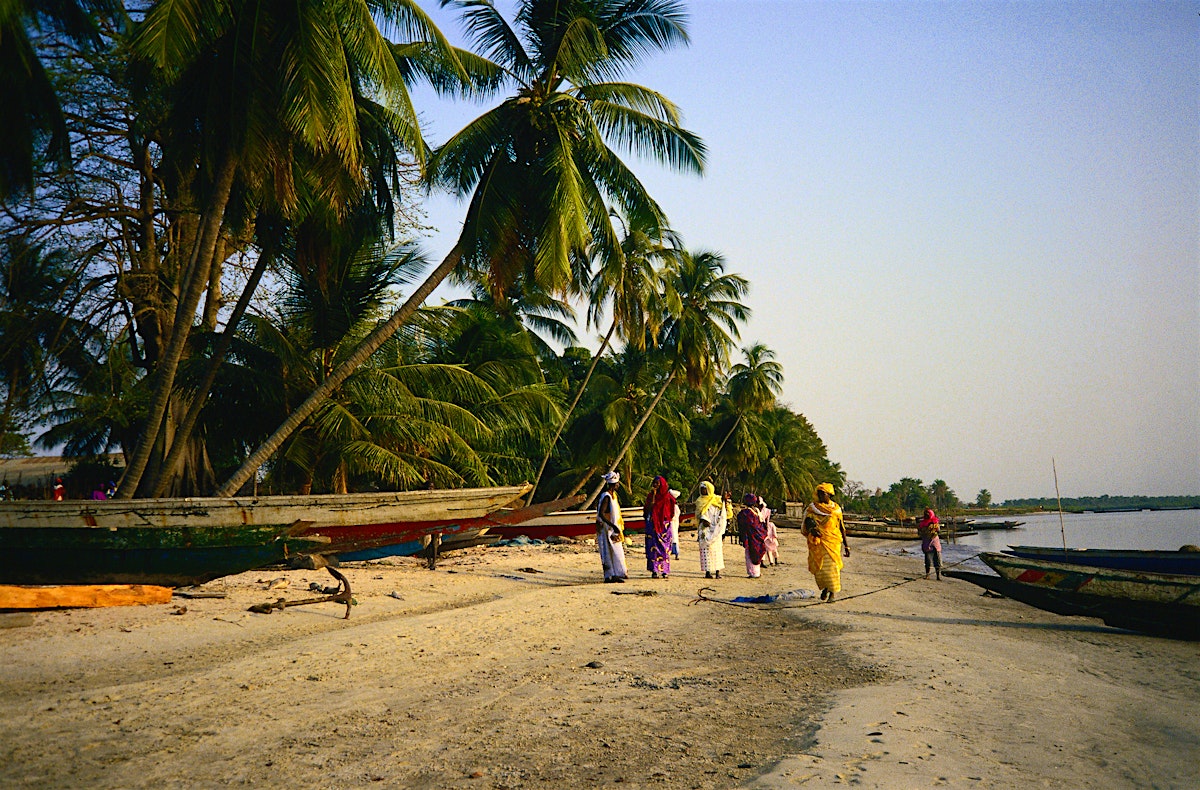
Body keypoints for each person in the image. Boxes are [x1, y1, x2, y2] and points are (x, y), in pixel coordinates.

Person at [804, 482, 849, 601]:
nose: (819, 496)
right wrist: (812, 530)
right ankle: (825, 588)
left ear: (829, 494)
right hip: (818, 544)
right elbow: (807, 522)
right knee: (821, 570)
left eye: (822, 493)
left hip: (833, 543)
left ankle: (832, 593)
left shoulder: (836, 510)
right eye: (818, 493)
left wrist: (847, 546)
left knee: (833, 568)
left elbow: (841, 527)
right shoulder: (813, 508)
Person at [595, 472, 627, 583]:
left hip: (611, 527)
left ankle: (616, 573)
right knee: (609, 551)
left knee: (615, 550)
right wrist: (613, 526)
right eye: (617, 484)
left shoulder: (613, 496)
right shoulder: (607, 497)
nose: (618, 485)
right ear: (614, 484)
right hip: (607, 528)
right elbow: (602, 513)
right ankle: (610, 575)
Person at [642, 475, 675, 579]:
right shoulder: (650, 496)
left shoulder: (667, 497)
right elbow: (646, 510)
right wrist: (652, 503)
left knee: (664, 549)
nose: (655, 485)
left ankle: (664, 571)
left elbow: (671, 512)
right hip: (652, 526)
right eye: (654, 483)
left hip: (664, 527)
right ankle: (654, 571)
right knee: (653, 548)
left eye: (657, 483)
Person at [695, 481, 726, 579]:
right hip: (705, 529)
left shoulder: (717, 499)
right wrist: (704, 519)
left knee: (717, 551)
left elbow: (724, 511)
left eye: (704, 488)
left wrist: (725, 501)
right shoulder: (699, 501)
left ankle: (717, 572)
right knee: (706, 552)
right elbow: (700, 514)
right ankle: (708, 572)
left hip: (716, 528)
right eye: (701, 489)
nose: (703, 490)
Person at [737, 493, 768, 578]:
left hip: (751, 536)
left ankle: (753, 573)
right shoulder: (757, 511)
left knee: (750, 554)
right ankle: (756, 572)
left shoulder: (747, 513)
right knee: (756, 552)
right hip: (758, 535)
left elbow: (744, 523)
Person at [918, 507, 943, 580]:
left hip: (935, 543)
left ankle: (938, 576)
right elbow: (920, 532)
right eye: (926, 514)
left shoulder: (935, 522)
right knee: (928, 561)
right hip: (927, 543)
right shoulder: (922, 523)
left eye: (928, 514)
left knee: (937, 560)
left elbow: (938, 530)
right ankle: (927, 575)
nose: (926, 515)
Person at [759, 496, 779, 566]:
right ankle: (772, 562)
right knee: (771, 550)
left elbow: (766, 523)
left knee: (767, 550)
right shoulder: (765, 512)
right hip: (768, 536)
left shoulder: (764, 511)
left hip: (763, 532)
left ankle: (766, 562)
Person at [668, 488, 681, 559]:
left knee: (673, 537)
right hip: (672, 523)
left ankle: (675, 553)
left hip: (673, 522)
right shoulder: (674, 506)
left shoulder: (675, 507)